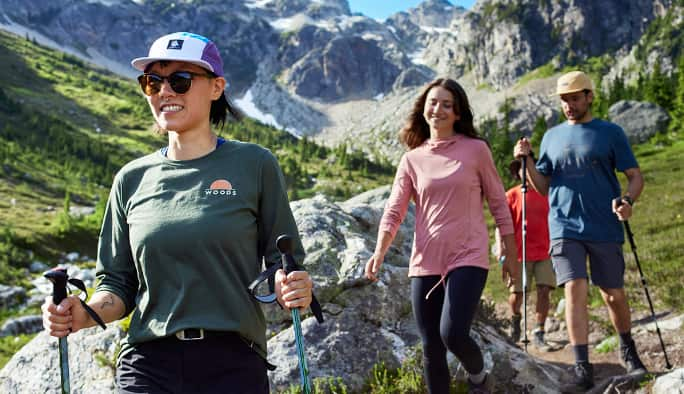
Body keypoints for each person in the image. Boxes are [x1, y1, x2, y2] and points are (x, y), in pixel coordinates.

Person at [41, 32, 313, 394]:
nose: (164, 92)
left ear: (216, 87)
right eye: (152, 82)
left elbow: (284, 262)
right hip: (148, 364)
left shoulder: (256, 164)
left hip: (234, 363)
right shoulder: (130, 179)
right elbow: (117, 285)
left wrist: (290, 285)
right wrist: (84, 313)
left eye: (180, 80)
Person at [365, 78, 517, 394]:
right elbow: (394, 209)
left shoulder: (476, 150)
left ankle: (479, 378)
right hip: (426, 260)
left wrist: (510, 252)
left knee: (453, 334)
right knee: (431, 346)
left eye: (447, 104)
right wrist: (379, 251)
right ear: (424, 108)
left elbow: (499, 202)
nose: (439, 109)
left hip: (468, 255)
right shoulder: (411, 159)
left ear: (458, 113)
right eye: (433, 102)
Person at [514, 70, 646, 391]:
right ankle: (581, 364)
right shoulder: (551, 137)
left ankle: (627, 348)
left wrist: (627, 200)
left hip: (603, 224)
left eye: (575, 98)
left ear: (589, 96)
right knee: (574, 288)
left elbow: (635, 176)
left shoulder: (610, 133)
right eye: (564, 100)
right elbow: (543, 186)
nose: (569, 105)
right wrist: (527, 160)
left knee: (612, 295)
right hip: (564, 226)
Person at [495, 152, 555, 351]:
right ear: (517, 173)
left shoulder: (546, 193)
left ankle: (539, 331)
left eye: (528, 167)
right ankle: (516, 318)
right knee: (518, 294)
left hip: (545, 251)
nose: (525, 172)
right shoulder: (511, 195)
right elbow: (500, 225)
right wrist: (502, 250)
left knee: (544, 291)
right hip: (519, 253)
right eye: (521, 168)